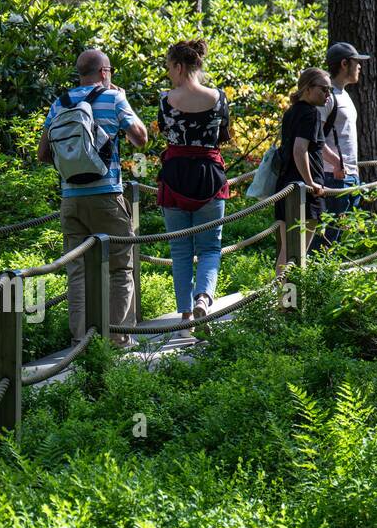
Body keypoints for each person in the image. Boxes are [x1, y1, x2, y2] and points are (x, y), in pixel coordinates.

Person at [37, 49, 148, 347]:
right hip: (108, 197)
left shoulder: (59, 104)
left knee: (78, 272)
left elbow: (43, 154)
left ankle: (81, 341)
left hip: (71, 199)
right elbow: (141, 137)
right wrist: (122, 102)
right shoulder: (114, 98)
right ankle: (117, 337)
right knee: (120, 269)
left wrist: (75, 164)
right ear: (104, 72)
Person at [155, 39, 232, 340]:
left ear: (178, 66)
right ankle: (204, 299)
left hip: (174, 176)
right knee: (210, 247)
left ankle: (185, 318)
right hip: (209, 175)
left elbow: (165, 132)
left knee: (180, 250)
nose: (168, 74)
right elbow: (223, 134)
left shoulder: (165, 99)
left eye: (168, 68)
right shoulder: (219, 97)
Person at [274, 67, 331, 274]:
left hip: (285, 186)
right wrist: (311, 183)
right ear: (307, 89)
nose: (327, 95)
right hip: (303, 192)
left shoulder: (291, 112)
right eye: (324, 89)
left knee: (286, 251)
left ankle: (280, 300)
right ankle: (287, 303)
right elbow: (300, 150)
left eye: (330, 90)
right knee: (297, 254)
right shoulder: (311, 113)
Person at [318, 41, 372, 245]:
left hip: (350, 176)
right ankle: (314, 275)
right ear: (344, 64)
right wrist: (336, 163)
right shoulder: (327, 96)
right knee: (328, 238)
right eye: (356, 62)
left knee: (341, 236)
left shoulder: (345, 95)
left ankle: (331, 275)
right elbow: (316, 138)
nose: (359, 66)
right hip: (333, 177)